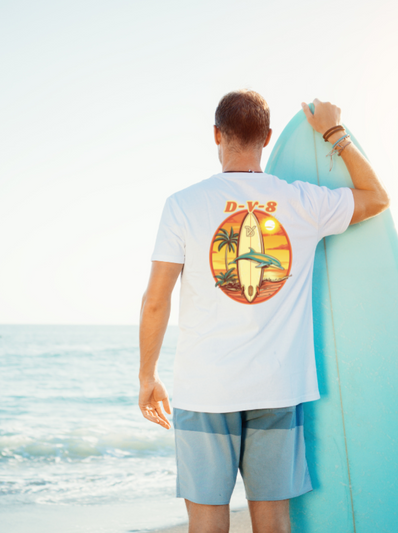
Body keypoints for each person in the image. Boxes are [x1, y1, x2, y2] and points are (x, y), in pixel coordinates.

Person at [138, 90, 390, 533]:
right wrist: (335, 132)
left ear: (216, 134)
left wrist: (147, 376)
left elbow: (156, 299)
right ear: (268, 137)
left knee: (206, 519)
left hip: (205, 389)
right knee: (273, 519)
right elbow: (377, 197)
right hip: (276, 388)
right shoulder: (302, 202)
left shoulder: (183, 204)